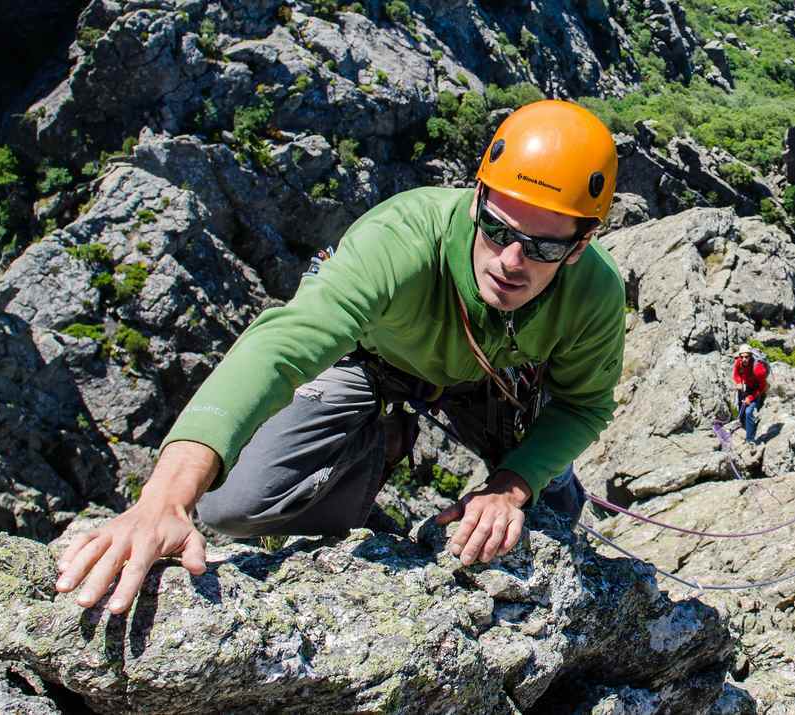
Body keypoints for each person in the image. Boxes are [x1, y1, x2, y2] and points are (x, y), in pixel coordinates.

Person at [53, 99, 626, 616]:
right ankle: (378, 449)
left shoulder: (593, 294)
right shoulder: (400, 241)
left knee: (549, 510)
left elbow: (582, 405)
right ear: (478, 199)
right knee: (234, 507)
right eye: (498, 230)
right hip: (374, 363)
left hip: (495, 381)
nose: (511, 261)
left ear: (580, 245)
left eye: (545, 247)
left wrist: (512, 484)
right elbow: (281, 346)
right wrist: (163, 499)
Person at [732, 345, 769, 443]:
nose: (744, 359)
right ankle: (743, 423)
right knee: (741, 404)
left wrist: (751, 398)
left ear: (751, 356)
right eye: (742, 356)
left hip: (756, 389)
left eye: (746, 357)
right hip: (746, 385)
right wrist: (739, 382)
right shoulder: (739, 362)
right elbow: (736, 374)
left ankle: (750, 439)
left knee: (748, 412)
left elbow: (762, 388)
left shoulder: (758, 369)